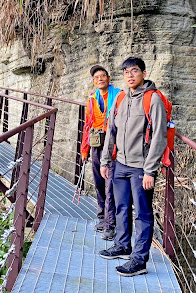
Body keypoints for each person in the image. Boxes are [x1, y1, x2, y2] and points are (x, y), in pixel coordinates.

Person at [99, 57, 168, 277]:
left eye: (134, 71)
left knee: (143, 214)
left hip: (140, 167)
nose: (129, 75)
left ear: (143, 73)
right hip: (120, 164)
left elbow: (159, 136)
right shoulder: (120, 98)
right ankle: (122, 245)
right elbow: (111, 131)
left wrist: (150, 170)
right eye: (126, 72)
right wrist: (105, 160)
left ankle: (139, 260)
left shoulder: (152, 99)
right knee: (121, 207)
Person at [81, 65, 120, 240]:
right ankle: (102, 216)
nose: (100, 79)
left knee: (109, 182)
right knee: (98, 180)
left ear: (109, 78)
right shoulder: (92, 99)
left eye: (103, 76)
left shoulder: (119, 96)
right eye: (97, 77)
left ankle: (110, 224)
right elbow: (87, 124)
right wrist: (84, 149)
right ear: (94, 82)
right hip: (97, 141)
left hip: (113, 142)